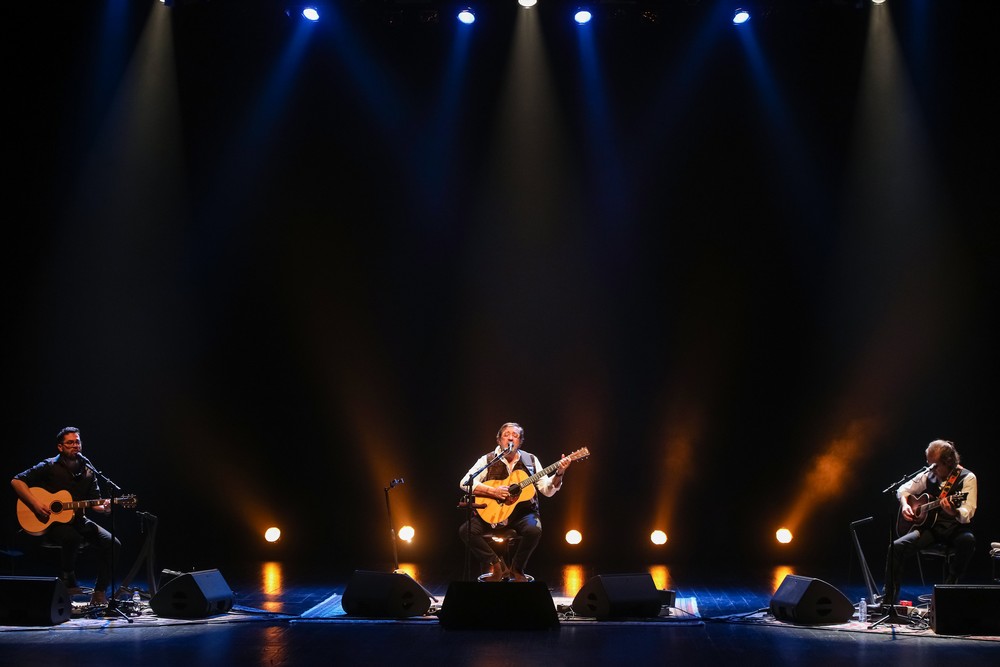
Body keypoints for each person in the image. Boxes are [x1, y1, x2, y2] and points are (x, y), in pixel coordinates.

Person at [11, 427, 121, 607]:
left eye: (77, 442)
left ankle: (99, 592)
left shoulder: (88, 471)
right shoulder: (48, 466)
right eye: (70, 442)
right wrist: (36, 504)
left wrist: (106, 508)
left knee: (113, 543)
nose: (75, 445)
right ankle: (68, 576)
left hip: (78, 520)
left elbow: (95, 503)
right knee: (72, 537)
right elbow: (16, 481)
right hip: (50, 523)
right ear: (60, 447)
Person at [458, 422, 571, 582]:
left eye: (515, 435)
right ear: (499, 440)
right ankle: (497, 565)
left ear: (520, 441)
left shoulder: (530, 460)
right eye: (506, 435)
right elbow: (465, 483)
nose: (510, 438)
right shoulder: (487, 459)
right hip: (493, 513)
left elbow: (547, 490)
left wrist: (559, 473)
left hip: (522, 514)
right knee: (466, 530)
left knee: (534, 530)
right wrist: (493, 491)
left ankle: (517, 568)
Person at [882, 439, 977, 606]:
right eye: (929, 464)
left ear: (948, 462)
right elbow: (902, 490)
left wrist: (954, 511)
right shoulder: (929, 474)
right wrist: (905, 505)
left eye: (934, 465)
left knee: (968, 541)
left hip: (955, 529)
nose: (930, 468)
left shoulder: (967, 477)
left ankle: (949, 589)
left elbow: (968, 511)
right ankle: (889, 600)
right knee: (895, 548)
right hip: (932, 529)